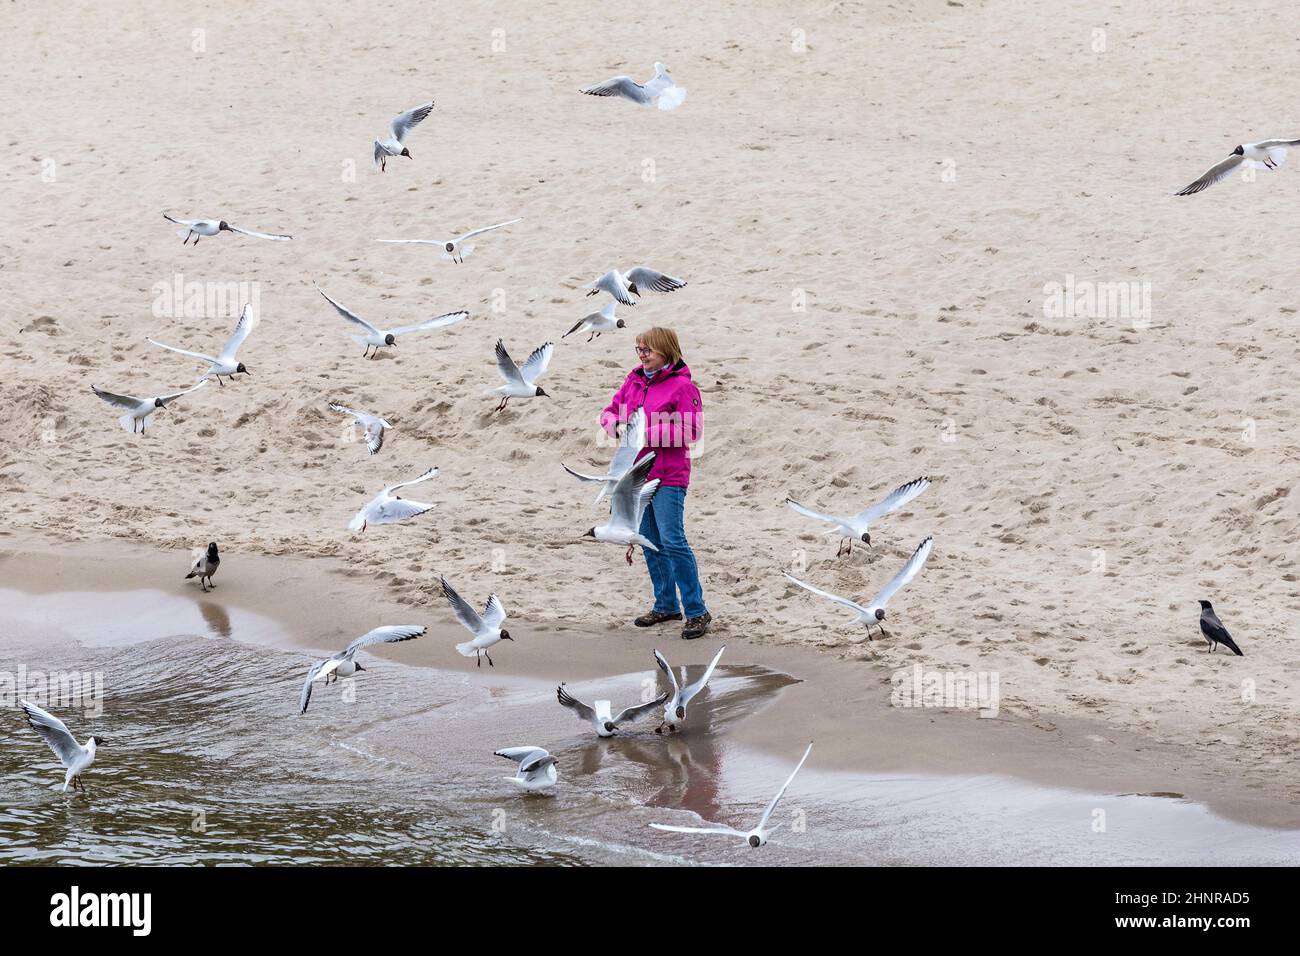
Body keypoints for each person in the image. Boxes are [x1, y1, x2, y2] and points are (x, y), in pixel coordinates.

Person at [600, 327, 712, 639]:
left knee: (673, 541)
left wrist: (646, 434)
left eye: (647, 350)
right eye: (638, 349)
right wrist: (615, 426)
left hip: (669, 475)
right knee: (649, 541)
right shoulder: (634, 380)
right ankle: (665, 605)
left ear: (665, 350)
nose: (642, 355)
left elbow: (691, 432)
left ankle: (696, 610)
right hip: (635, 477)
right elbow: (609, 413)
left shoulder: (682, 387)